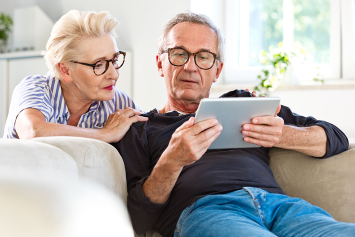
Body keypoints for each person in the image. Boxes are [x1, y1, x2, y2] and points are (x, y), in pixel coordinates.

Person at [112, 12, 355, 237]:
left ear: (217, 71)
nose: (190, 66)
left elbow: (336, 139)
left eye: (203, 57)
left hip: (280, 207)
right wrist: (171, 161)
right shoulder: (140, 128)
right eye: (179, 53)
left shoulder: (244, 103)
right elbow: (138, 219)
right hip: (208, 211)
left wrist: (284, 136)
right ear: (159, 63)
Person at [3, 10, 147, 142]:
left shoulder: (119, 103)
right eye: (98, 65)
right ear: (65, 70)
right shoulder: (35, 88)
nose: (114, 74)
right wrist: (105, 134)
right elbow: (33, 132)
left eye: (115, 60)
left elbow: (150, 134)